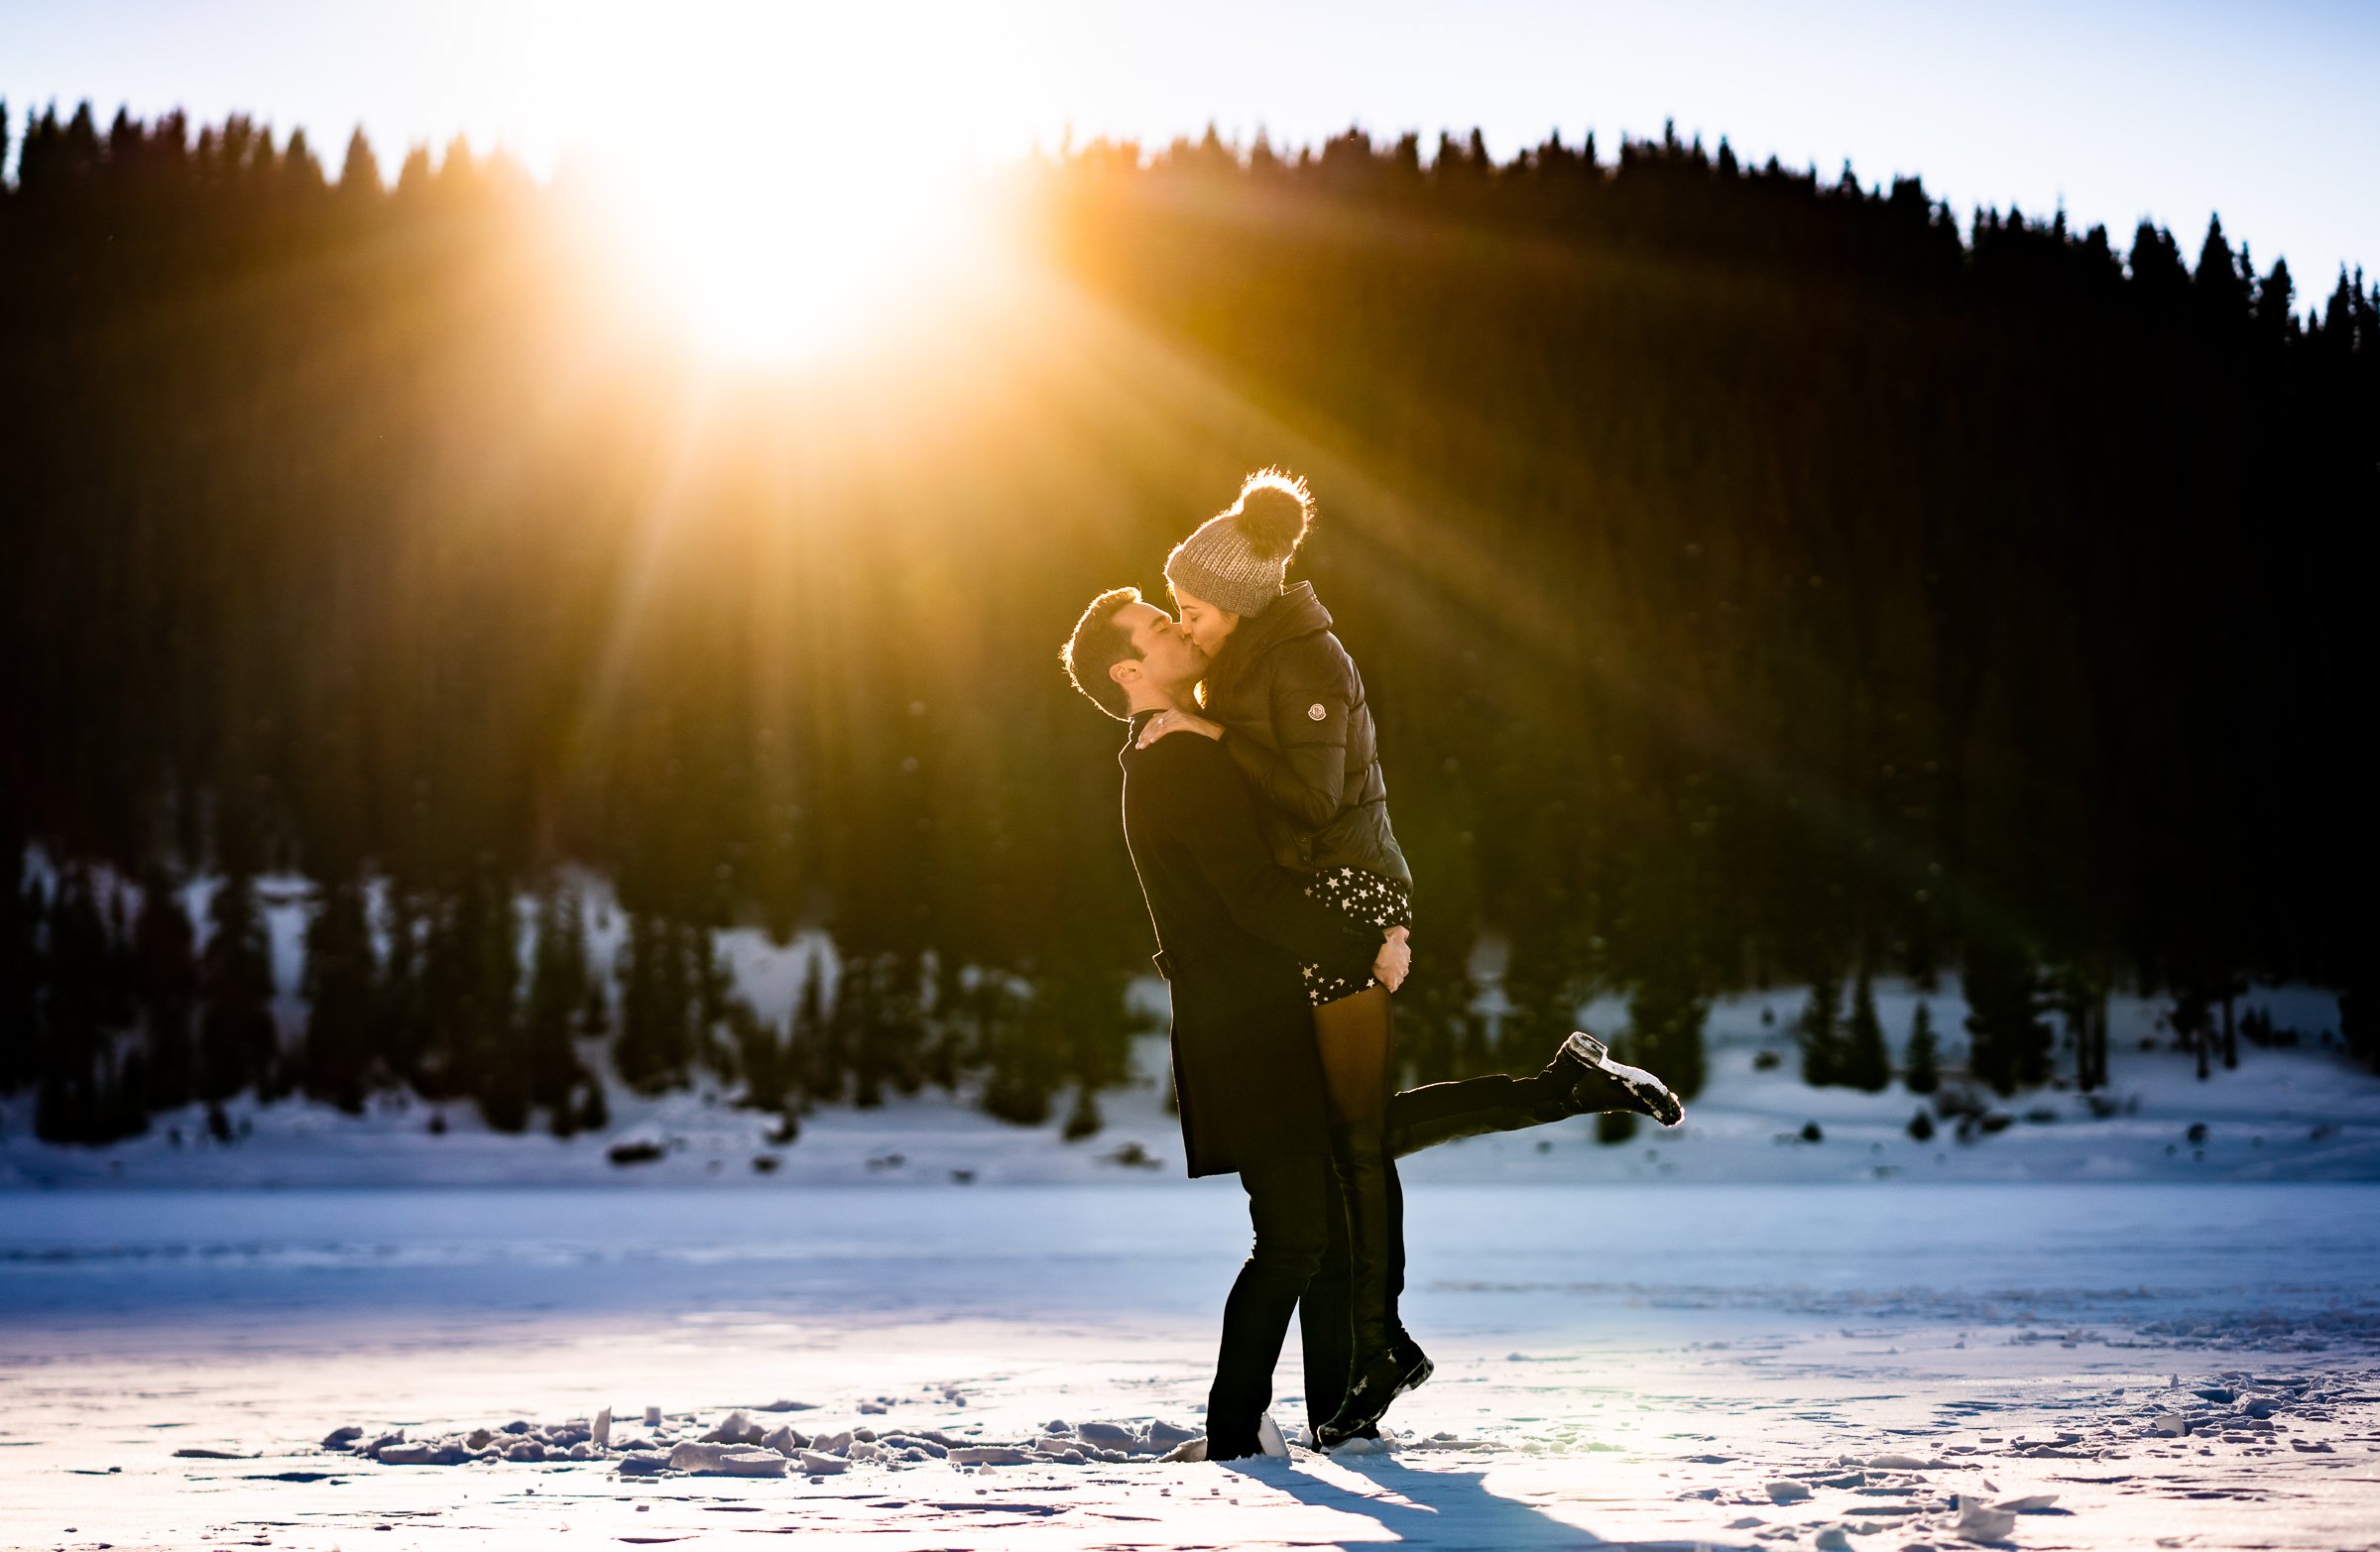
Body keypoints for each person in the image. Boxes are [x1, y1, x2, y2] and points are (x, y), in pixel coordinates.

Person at [1062, 585, 1686, 1457]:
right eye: (1161, 628)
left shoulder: (1176, 750)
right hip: (1242, 1024)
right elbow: (1253, 895)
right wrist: (1367, 945)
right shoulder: (1175, 762)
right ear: (1129, 671)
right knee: (1294, 1236)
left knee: (1344, 1174)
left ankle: (1330, 1415)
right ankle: (1234, 1437)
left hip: (1251, 1010)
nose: (1179, 630)